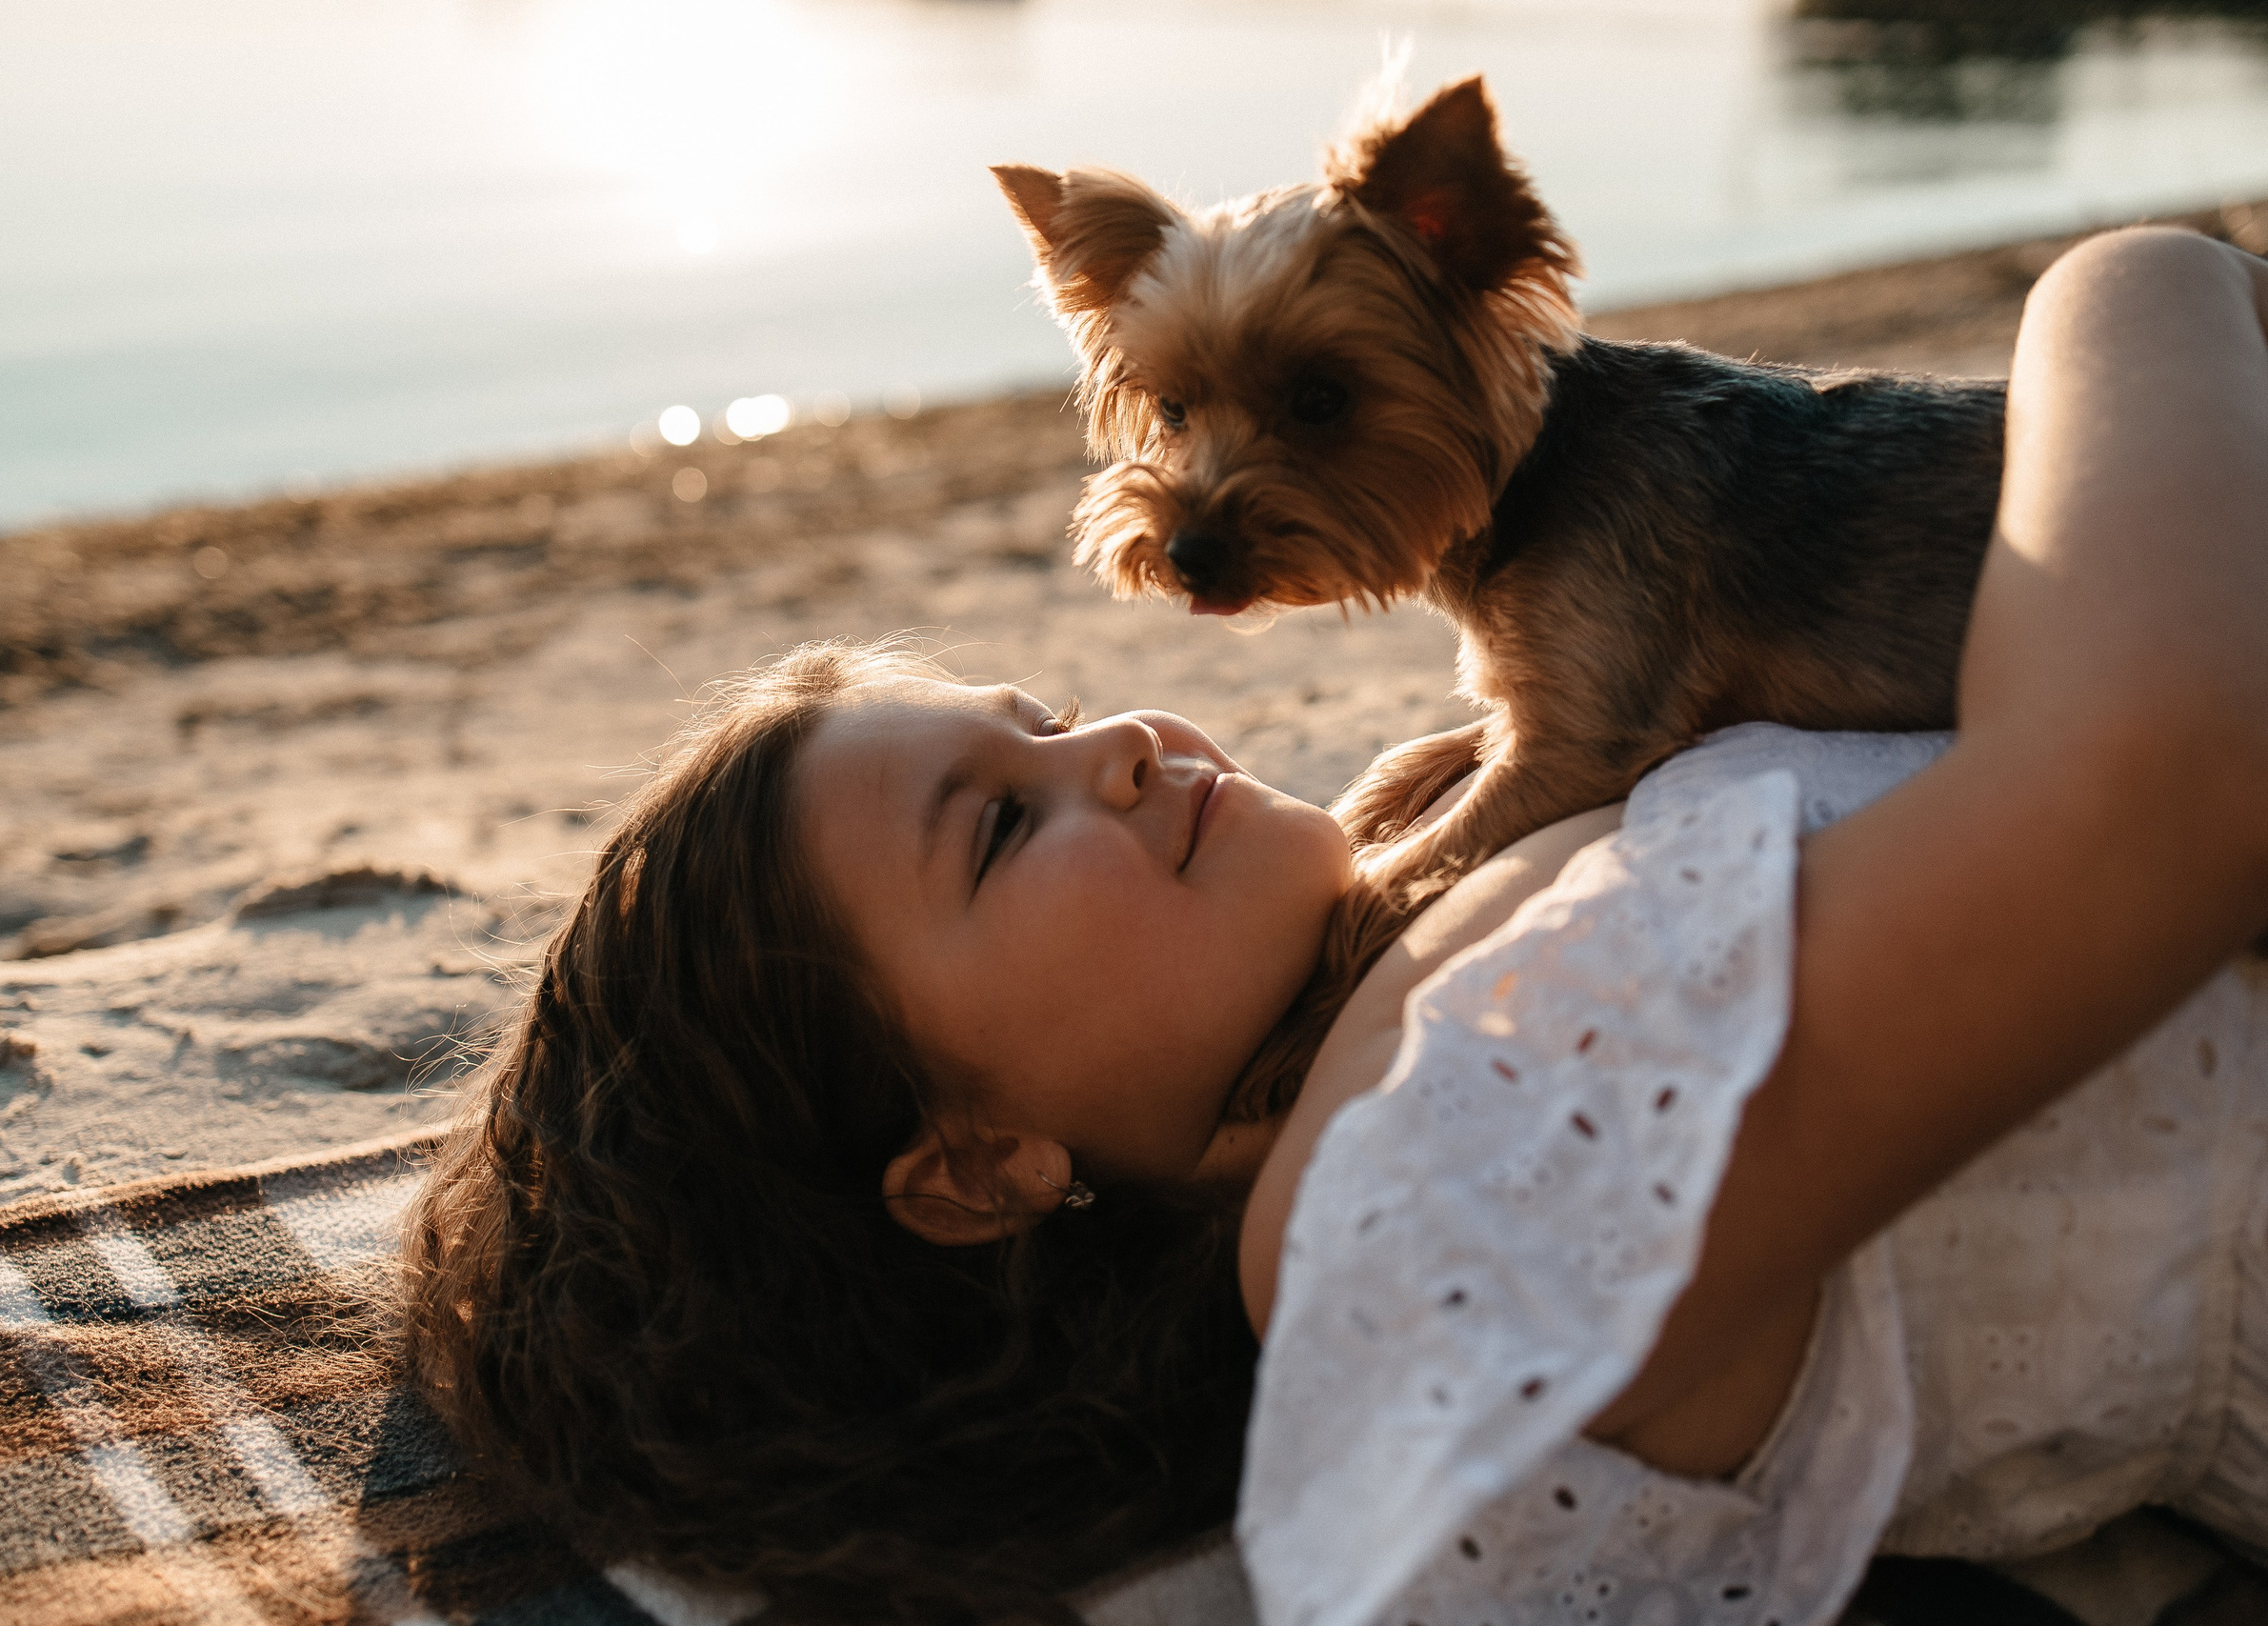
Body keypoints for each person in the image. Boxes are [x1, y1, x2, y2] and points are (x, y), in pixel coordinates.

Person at [399, 226, 2268, 1625]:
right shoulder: (1422, 1204)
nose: (1125, 740)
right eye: (998, 822)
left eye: (1047, 722)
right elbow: (2162, 786)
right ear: (973, 1164)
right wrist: (2135, 285)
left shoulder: (1417, 982)